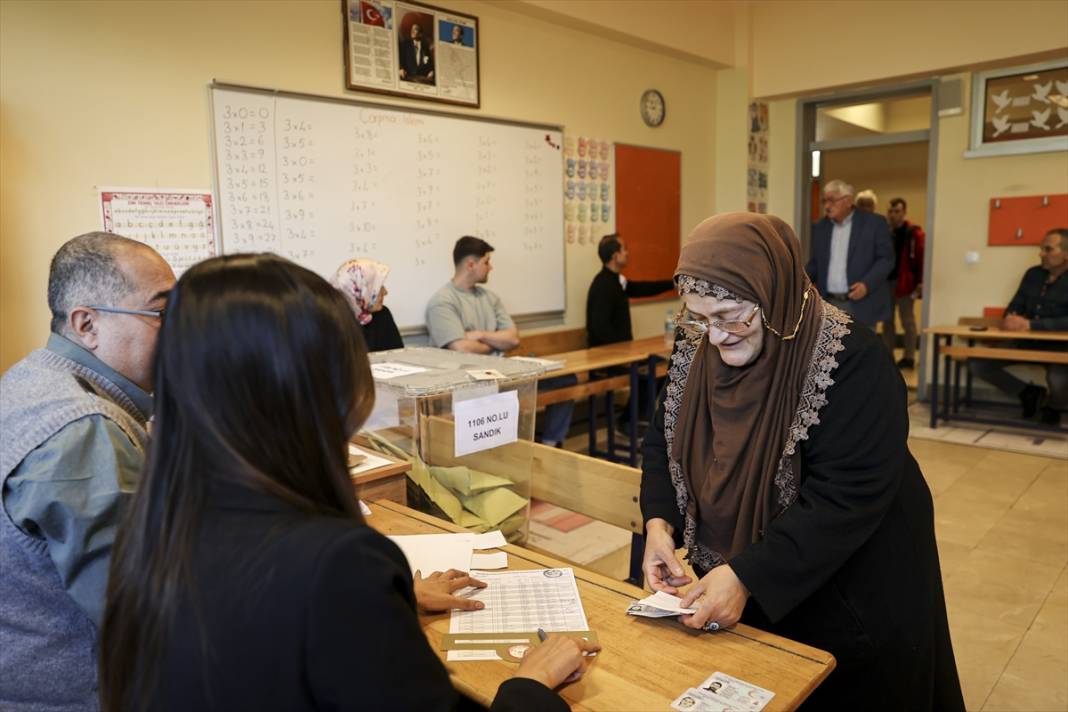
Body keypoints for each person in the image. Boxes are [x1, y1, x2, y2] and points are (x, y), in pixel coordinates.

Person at [98, 253, 600, 712]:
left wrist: (387, 605)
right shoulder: (336, 565)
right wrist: (529, 684)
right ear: (319, 388)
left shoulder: (153, 525)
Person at [640, 213, 963, 710]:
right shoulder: (697, 347)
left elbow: (845, 495)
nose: (717, 336)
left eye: (731, 316)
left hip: (848, 580)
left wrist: (748, 574)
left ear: (774, 294)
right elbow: (665, 440)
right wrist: (659, 523)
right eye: (699, 318)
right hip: (752, 569)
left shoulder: (852, 358)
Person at [0, 232, 175, 710]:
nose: (180, 331)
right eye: (162, 314)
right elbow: (144, 612)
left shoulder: (33, 378)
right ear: (87, 324)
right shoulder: (84, 429)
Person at [427, 236, 575, 447]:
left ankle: (551, 444)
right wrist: (496, 342)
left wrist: (479, 335)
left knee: (565, 379)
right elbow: (461, 348)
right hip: (468, 380)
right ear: (471, 264)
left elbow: (513, 338)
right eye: (486, 262)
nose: (491, 267)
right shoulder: (442, 302)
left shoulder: (490, 298)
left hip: (503, 372)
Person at [968, 228, 1068, 425]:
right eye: (1041, 249)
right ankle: (1028, 393)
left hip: (1061, 349)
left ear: (1066, 254)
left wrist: (1031, 324)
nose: (1041, 254)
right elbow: (1014, 306)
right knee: (977, 363)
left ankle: (1054, 406)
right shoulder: (1032, 274)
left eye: (1048, 249)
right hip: (1024, 342)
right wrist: (1011, 318)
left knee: (1058, 381)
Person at [806, 179, 894, 328]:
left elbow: (886, 259)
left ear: (848, 200)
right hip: (829, 303)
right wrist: (797, 281)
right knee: (831, 350)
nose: (827, 206)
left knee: (861, 350)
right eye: (824, 201)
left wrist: (867, 285)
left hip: (862, 304)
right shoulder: (821, 227)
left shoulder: (873, 223)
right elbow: (816, 263)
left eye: (832, 200)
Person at [586, 234, 675, 348]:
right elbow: (600, 328)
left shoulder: (617, 281)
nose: (627, 253)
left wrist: (672, 284)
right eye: (623, 249)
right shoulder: (603, 286)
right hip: (610, 355)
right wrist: (624, 349)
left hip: (622, 351)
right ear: (615, 255)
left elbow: (643, 289)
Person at [882, 198, 926, 369]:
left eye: (897, 211)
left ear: (904, 212)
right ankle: (888, 356)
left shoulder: (913, 234)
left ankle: (909, 357)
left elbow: (922, 259)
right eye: (890, 211)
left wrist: (921, 282)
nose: (893, 215)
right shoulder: (884, 232)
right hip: (886, 283)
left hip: (906, 284)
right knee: (887, 322)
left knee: (907, 321)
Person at [332, 258, 403, 352]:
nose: (385, 292)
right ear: (359, 289)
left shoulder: (382, 315)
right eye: (378, 287)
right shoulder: (332, 324)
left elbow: (398, 355)